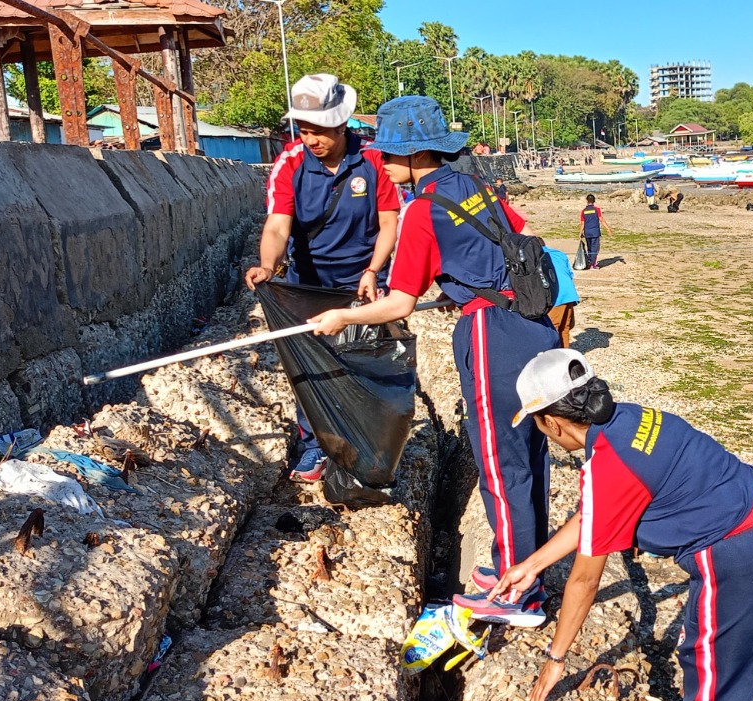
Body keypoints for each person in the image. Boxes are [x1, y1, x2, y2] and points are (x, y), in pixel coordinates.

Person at [306, 96, 560, 624]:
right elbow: (514, 235)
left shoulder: (422, 209)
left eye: (388, 153)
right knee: (530, 452)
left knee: (499, 461)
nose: (380, 161)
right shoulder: (476, 187)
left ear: (415, 154)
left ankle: (519, 594)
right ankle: (525, 567)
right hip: (532, 326)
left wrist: (341, 319)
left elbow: (398, 303)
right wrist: (460, 284)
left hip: (491, 335)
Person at [483, 349, 753, 701]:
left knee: (712, 688)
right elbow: (597, 514)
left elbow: (584, 580)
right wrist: (532, 564)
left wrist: (555, 658)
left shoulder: (607, 463)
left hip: (741, 557)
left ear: (551, 423)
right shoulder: (634, 416)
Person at [248, 73, 400, 482]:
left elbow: (389, 225)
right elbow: (278, 227)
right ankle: (316, 445)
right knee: (311, 366)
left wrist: (373, 271)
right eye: (304, 130)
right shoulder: (290, 164)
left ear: (342, 124)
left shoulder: (372, 163)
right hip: (307, 283)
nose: (311, 139)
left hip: (361, 283)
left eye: (320, 131)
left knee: (361, 363)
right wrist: (268, 266)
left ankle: (367, 444)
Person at [543, 245, 580, 348]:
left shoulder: (536, 254)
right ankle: (565, 356)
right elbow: (570, 274)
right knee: (564, 328)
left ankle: (551, 357)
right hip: (569, 292)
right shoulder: (559, 253)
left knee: (551, 328)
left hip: (556, 295)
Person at [578, 194, 614, 270]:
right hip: (595, 232)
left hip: (587, 232)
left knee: (590, 248)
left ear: (587, 201)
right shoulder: (596, 210)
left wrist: (580, 233)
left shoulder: (583, 211)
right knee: (595, 248)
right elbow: (601, 220)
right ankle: (592, 264)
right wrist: (608, 228)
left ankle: (591, 262)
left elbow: (582, 224)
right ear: (594, 201)